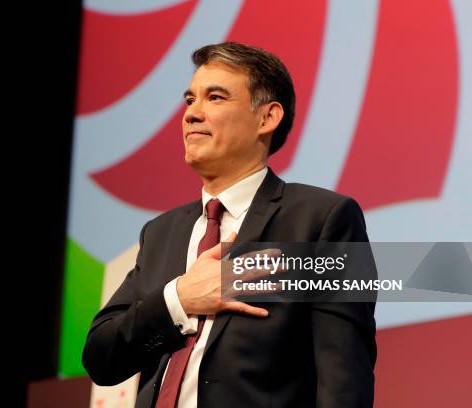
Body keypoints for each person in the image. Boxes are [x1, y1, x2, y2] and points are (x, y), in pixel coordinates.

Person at [82, 42, 376, 408]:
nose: (191, 114)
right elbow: (101, 358)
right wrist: (178, 299)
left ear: (267, 118)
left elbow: (343, 379)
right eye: (190, 100)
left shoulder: (321, 220)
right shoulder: (161, 232)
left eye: (215, 98)